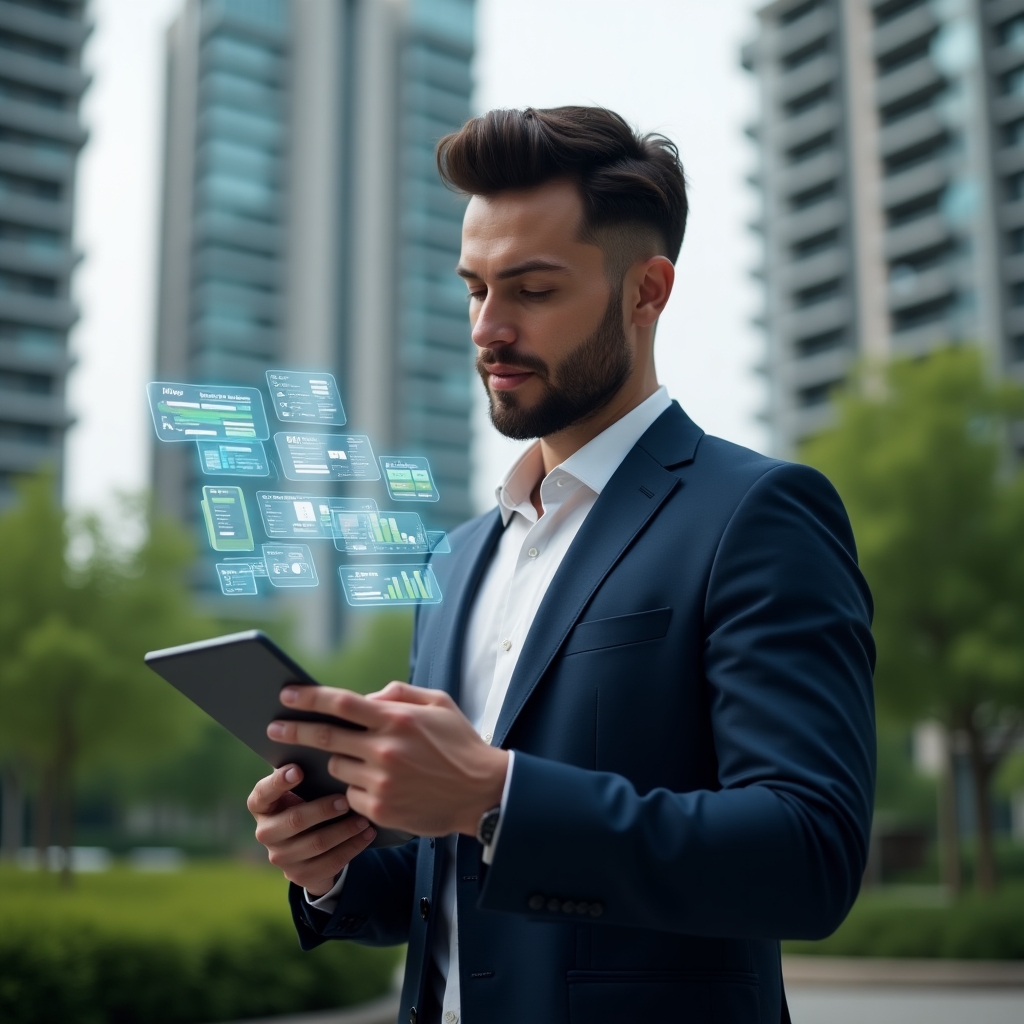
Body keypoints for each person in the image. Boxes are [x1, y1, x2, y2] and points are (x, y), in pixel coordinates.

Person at [247, 106, 876, 1024]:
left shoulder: (758, 515)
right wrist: (335, 866)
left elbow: (808, 854)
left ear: (646, 291)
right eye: (474, 289)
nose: (487, 329)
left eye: (532, 290)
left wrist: (493, 794)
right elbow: (453, 885)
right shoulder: (457, 558)